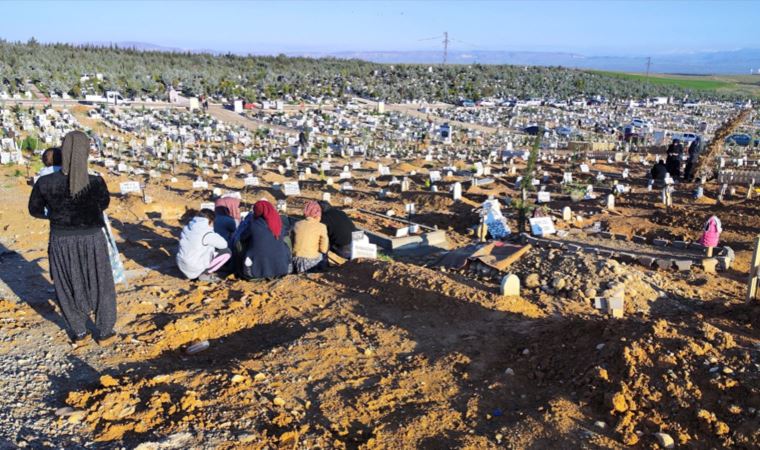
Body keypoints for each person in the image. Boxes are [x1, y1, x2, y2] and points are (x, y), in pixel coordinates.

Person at [28, 131, 117, 345]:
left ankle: (79, 332)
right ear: (85, 152)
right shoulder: (96, 181)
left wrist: (57, 212)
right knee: (101, 282)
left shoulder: (45, 182)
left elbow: (35, 210)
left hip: (61, 240)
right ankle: (104, 332)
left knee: (66, 283)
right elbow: (103, 204)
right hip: (93, 239)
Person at [235, 200, 292, 280]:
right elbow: (285, 234)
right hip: (282, 270)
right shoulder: (278, 223)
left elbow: (242, 238)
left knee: (240, 244)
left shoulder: (254, 224)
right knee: (285, 241)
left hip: (255, 272)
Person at [176, 209, 231, 282]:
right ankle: (204, 274)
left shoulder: (187, 227)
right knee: (227, 252)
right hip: (193, 267)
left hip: (182, 264)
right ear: (210, 221)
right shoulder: (206, 232)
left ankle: (191, 272)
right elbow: (224, 244)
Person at [292, 201, 329, 273]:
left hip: (296, 259)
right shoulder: (321, 226)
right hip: (310, 261)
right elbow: (323, 249)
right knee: (323, 254)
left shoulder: (297, 224)